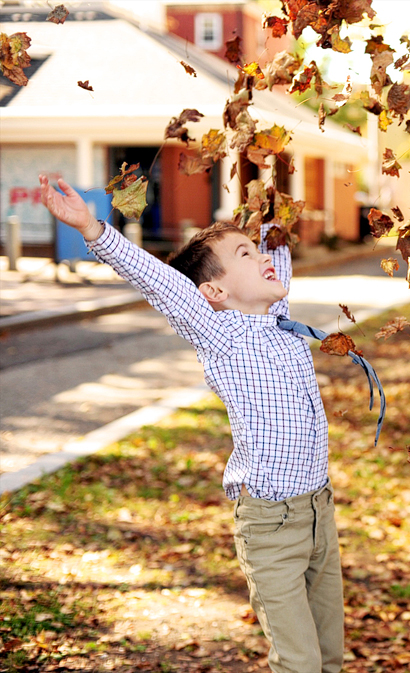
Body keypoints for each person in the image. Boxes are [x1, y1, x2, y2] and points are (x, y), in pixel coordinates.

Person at [39, 175, 359, 673]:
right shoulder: (221, 332)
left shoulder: (279, 316)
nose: (263, 257)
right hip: (271, 525)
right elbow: (161, 282)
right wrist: (93, 229)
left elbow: (276, 241)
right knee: (299, 663)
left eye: (258, 250)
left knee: (330, 656)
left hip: (320, 511)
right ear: (213, 291)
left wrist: (266, 181)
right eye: (244, 256)